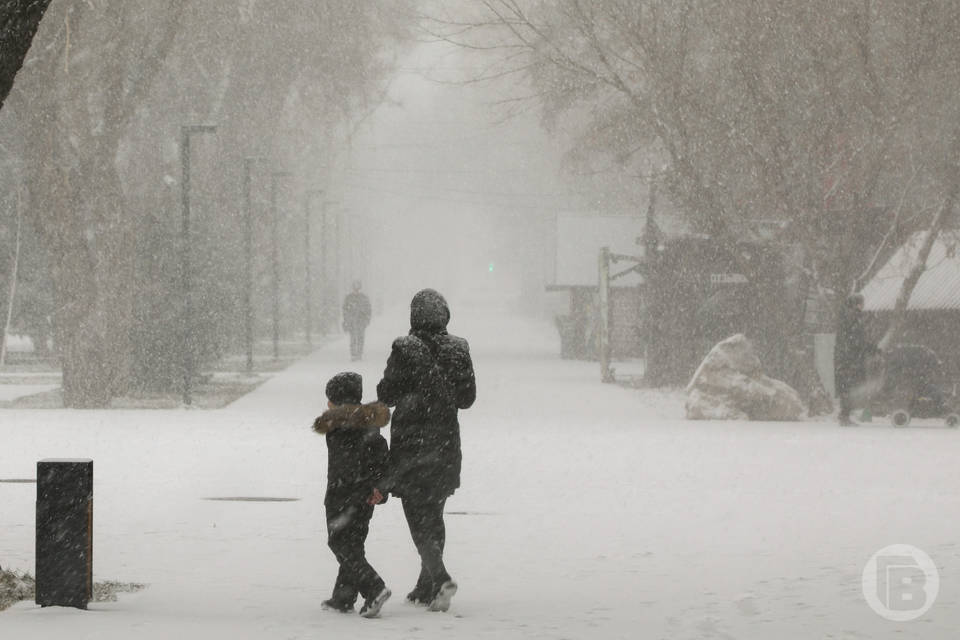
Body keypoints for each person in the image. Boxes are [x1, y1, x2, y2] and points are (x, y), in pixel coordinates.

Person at [374, 289, 476, 612]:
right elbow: (467, 398)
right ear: (445, 315)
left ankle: (441, 576)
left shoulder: (404, 349)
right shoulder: (458, 348)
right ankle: (426, 585)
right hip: (445, 443)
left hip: (410, 445)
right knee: (433, 512)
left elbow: (386, 394)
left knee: (418, 516)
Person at [312, 371, 392, 617]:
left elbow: (347, 464)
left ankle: (374, 587)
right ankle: (343, 597)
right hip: (366, 496)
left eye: (330, 399)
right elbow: (380, 457)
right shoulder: (369, 424)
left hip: (343, 493)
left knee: (339, 542)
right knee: (354, 544)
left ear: (335, 401)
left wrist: (356, 489)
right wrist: (380, 487)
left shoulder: (339, 426)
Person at [834, 292, 879, 426]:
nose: (863, 305)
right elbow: (857, 340)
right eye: (862, 303)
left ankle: (845, 415)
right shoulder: (853, 317)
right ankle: (844, 416)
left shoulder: (847, 316)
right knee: (850, 386)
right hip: (850, 359)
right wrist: (871, 348)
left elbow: (856, 339)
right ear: (857, 304)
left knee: (847, 387)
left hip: (846, 358)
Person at [342, 281, 372, 361]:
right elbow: (345, 310)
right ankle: (353, 354)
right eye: (355, 288)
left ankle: (359, 353)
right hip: (352, 322)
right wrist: (346, 320)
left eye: (357, 288)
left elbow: (368, 310)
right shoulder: (349, 298)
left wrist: (366, 320)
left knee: (360, 338)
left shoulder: (363, 298)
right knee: (353, 338)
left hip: (361, 322)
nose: (356, 290)